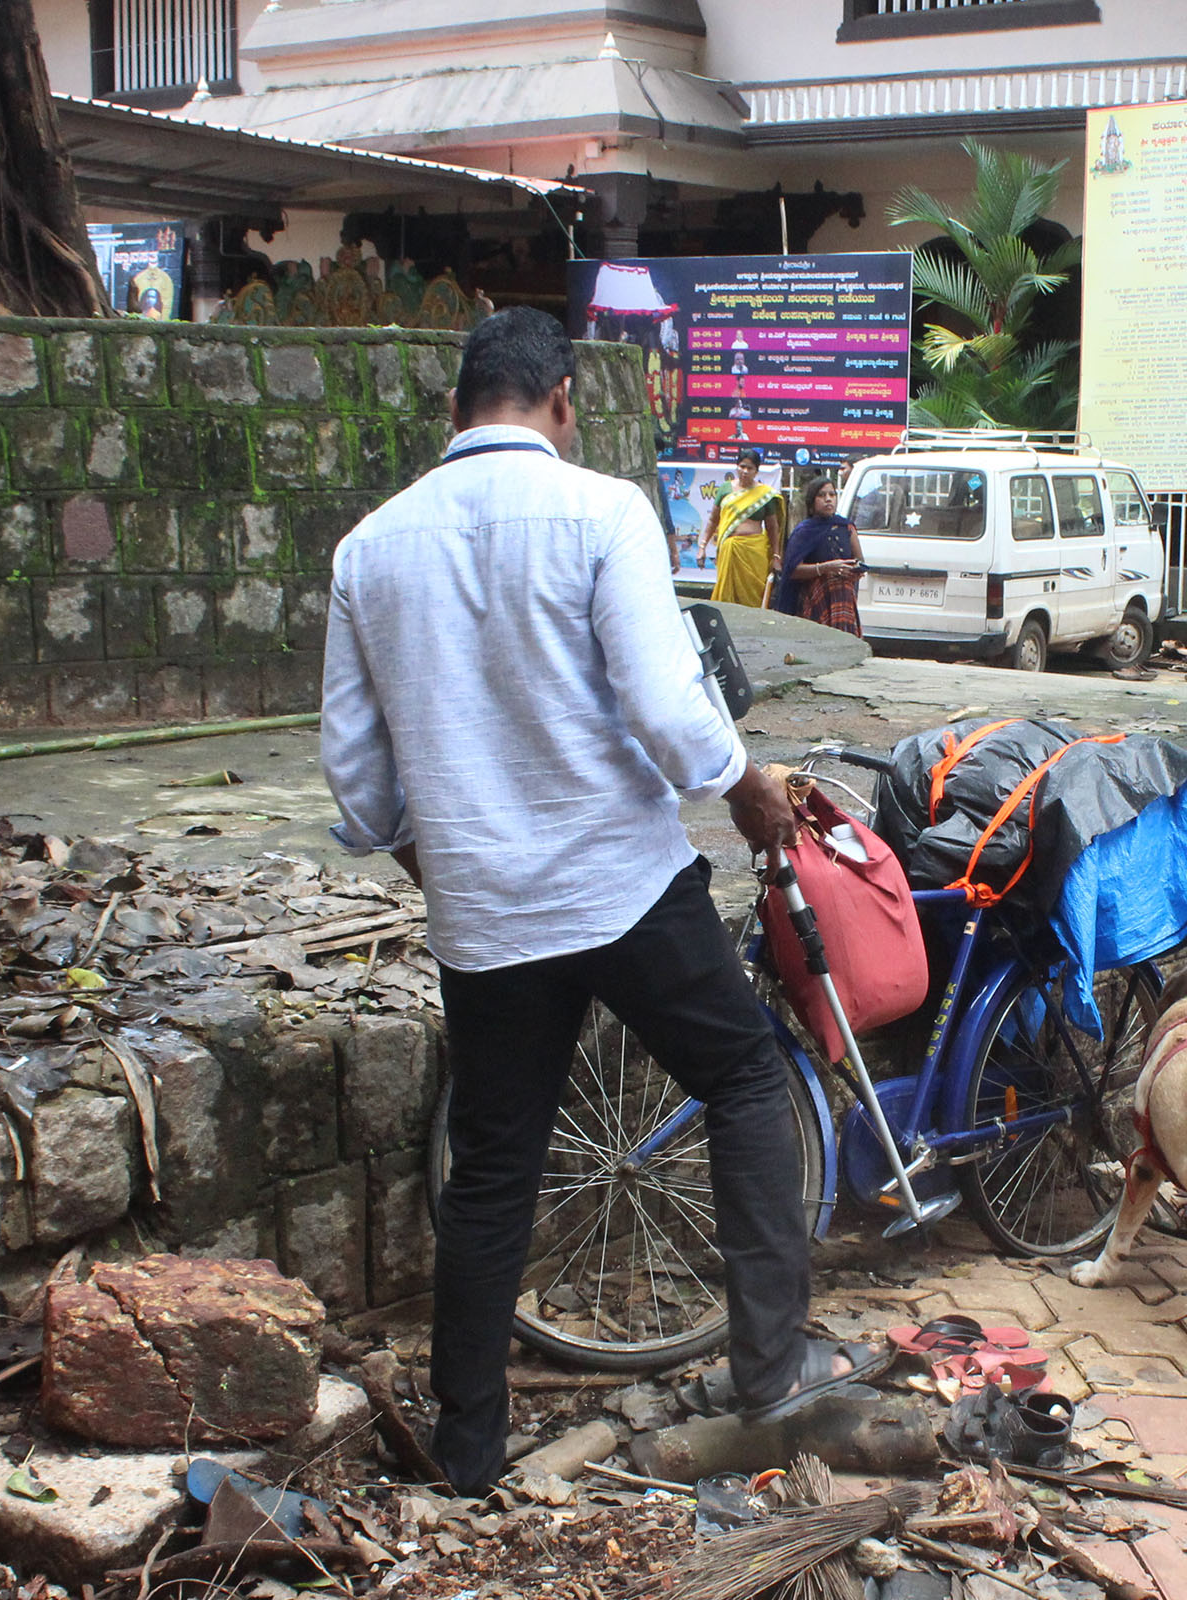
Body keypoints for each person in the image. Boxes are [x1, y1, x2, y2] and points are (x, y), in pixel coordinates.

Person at [318, 309, 878, 1499]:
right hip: (621, 887)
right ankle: (768, 1372)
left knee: (496, 1166)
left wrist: (439, 858)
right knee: (740, 1078)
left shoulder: (369, 549)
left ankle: (467, 1449)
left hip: (484, 919)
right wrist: (745, 785)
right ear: (561, 401)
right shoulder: (603, 510)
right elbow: (669, 705)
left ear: (458, 409)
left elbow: (359, 781)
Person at [775, 477, 863, 637]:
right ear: (812, 502)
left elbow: (859, 560)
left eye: (832, 494)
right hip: (815, 597)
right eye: (822, 495)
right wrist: (825, 568)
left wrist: (854, 570)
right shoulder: (804, 531)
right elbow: (792, 570)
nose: (828, 499)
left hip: (843, 599)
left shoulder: (846, 527)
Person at [708, 448, 785, 607]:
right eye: (742, 466)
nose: (745, 471)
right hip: (729, 549)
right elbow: (713, 520)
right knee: (725, 597)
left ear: (756, 471)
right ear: (736, 467)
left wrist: (776, 557)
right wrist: (702, 546)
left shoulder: (765, 495)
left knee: (753, 597)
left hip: (754, 551)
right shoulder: (725, 489)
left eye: (750, 468)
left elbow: (772, 527)